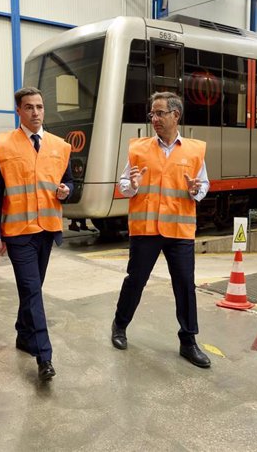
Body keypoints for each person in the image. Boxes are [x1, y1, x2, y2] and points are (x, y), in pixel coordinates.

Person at [110, 91, 212, 368]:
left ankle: (188, 341)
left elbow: (203, 185)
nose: (154, 118)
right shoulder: (139, 149)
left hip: (179, 230)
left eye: (159, 113)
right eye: (152, 114)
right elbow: (123, 186)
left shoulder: (194, 150)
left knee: (184, 286)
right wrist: (132, 184)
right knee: (135, 280)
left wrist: (196, 191)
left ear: (175, 115)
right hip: (146, 229)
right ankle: (119, 326)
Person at [0, 87, 73, 382]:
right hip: (18, 231)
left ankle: (24, 335)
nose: (35, 112)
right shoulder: (1, 145)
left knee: (31, 290)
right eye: (29, 107)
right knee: (33, 291)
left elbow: (70, 182)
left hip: (47, 230)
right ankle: (44, 356)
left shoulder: (60, 146)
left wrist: (66, 191)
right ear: (18, 111)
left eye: (39, 106)